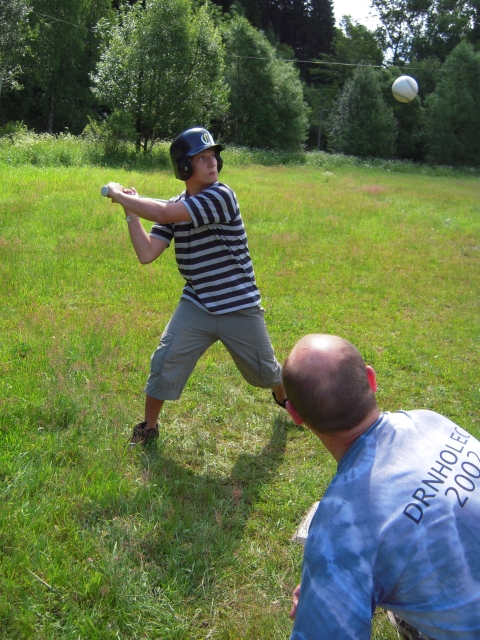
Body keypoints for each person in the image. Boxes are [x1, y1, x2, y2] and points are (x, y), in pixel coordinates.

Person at [282, 334, 480, 640]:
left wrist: (329, 587)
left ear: (295, 414)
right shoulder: (428, 421)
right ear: (371, 379)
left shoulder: (339, 533)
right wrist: (333, 583)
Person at [104, 127, 287, 445]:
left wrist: (119, 194)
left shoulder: (221, 196)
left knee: (265, 372)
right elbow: (147, 253)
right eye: (201, 158)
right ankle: (149, 426)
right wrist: (131, 212)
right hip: (197, 302)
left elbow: (163, 212)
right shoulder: (176, 206)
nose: (212, 161)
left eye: (213, 155)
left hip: (237, 303)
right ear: (184, 167)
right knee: (165, 361)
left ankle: (285, 398)